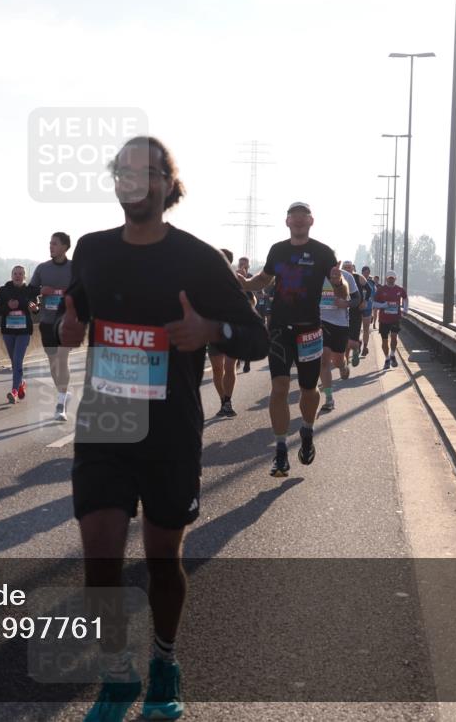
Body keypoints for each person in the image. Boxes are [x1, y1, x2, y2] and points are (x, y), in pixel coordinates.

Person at [56, 136, 268, 722]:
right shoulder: (94, 251)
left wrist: (211, 332)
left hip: (170, 426)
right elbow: (75, 311)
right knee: (99, 554)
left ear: (167, 185)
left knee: (160, 558)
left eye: (146, 172)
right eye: (123, 171)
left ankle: (165, 662)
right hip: (106, 421)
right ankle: (117, 675)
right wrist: (68, 328)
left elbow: (255, 336)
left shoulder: (197, 258)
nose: (133, 181)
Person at [238, 202, 346, 476]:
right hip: (279, 329)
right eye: (293, 216)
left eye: (303, 216)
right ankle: (281, 451)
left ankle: (307, 431)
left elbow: (341, 291)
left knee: (309, 389)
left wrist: (337, 281)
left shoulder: (323, 252)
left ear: (311, 220)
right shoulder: (278, 250)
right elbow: (264, 279)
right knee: (279, 388)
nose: (298, 220)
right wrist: (245, 283)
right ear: (287, 222)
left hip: (309, 329)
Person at [29, 232, 73, 420]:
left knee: (62, 359)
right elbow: (30, 291)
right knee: (53, 363)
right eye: (50, 244)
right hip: (47, 322)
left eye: (54, 244)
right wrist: (39, 293)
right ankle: (63, 393)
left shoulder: (75, 268)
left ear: (64, 247)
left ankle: (60, 404)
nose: (51, 247)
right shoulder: (42, 269)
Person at [208, 249, 253, 418]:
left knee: (229, 366)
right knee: (217, 369)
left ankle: (227, 401)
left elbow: (252, 301)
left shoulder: (236, 279)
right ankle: (222, 400)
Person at [0, 266, 40, 404]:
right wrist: (7, 307)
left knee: (18, 360)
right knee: (14, 362)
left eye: (20, 274)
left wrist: (35, 308)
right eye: (15, 274)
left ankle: (14, 392)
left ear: (24, 276)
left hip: (24, 332)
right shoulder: (3, 290)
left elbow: (36, 307)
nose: (18, 276)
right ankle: (21, 383)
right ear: (11, 275)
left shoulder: (30, 290)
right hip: (8, 331)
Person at [318, 262, 360, 413]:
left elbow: (357, 299)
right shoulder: (318, 275)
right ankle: (329, 399)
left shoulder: (347, 276)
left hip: (341, 324)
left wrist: (346, 303)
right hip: (322, 322)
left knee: (337, 360)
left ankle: (343, 365)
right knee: (324, 360)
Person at [373, 270, 409, 369]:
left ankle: (392, 354)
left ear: (395, 279)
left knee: (394, 337)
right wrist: (383, 305)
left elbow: (405, 298)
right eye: (389, 279)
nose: (391, 280)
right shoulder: (380, 290)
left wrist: (405, 310)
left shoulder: (400, 290)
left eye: (392, 279)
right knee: (384, 341)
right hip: (384, 319)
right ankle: (387, 358)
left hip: (395, 318)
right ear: (386, 279)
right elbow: (374, 303)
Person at [341, 261, 367, 368]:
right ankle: (346, 362)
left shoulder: (358, 277)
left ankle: (356, 348)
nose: (347, 269)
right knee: (346, 339)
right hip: (343, 312)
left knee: (353, 338)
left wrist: (364, 301)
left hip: (356, 311)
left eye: (349, 267)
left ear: (353, 268)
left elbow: (369, 289)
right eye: (345, 267)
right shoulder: (339, 278)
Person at [359, 265, 378, 356]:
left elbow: (373, 298)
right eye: (364, 273)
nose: (366, 275)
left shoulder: (372, 283)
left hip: (368, 309)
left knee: (366, 329)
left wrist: (373, 312)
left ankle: (365, 347)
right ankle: (358, 342)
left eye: (368, 273)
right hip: (358, 309)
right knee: (357, 329)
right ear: (362, 273)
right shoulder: (357, 281)